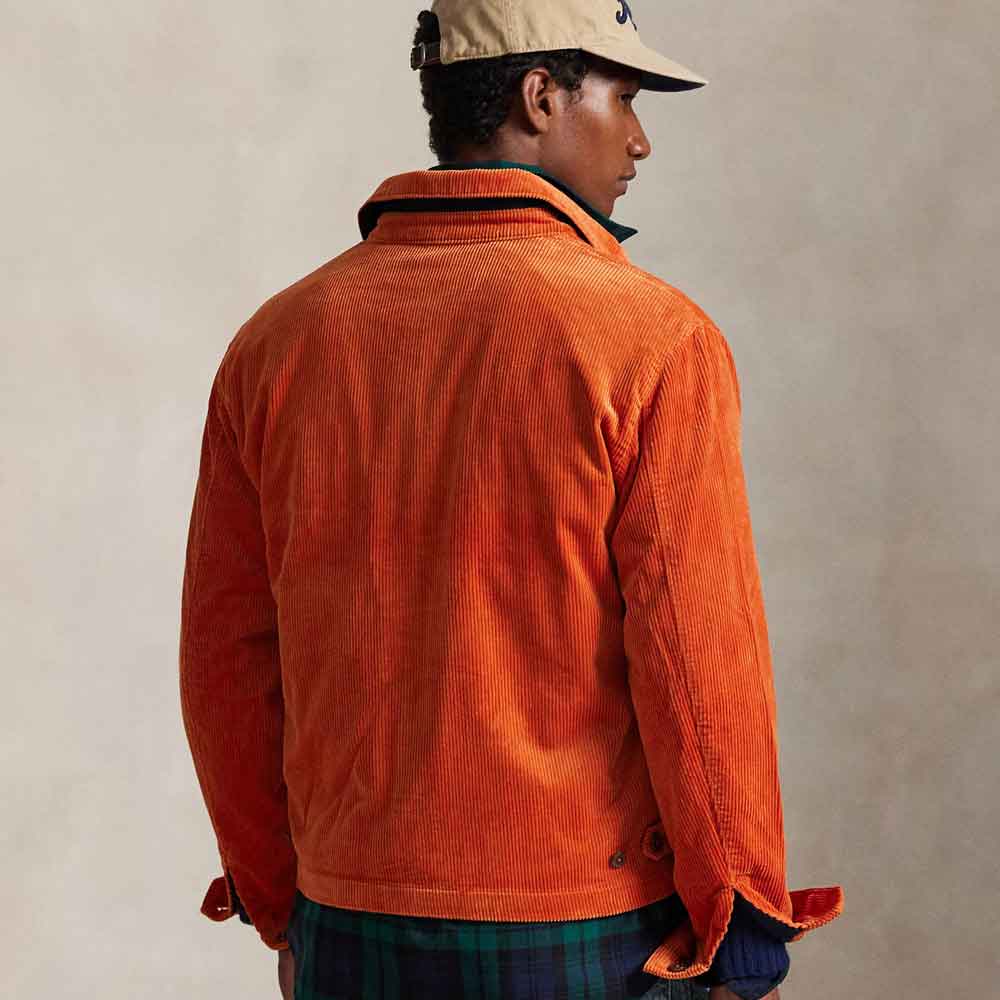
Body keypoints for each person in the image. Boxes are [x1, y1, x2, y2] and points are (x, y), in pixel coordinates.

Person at [178, 2, 845, 998]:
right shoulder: (652, 341)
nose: (640, 139)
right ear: (540, 97)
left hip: (348, 921)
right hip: (587, 929)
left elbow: (226, 656)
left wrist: (284, 902)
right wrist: (742, 931)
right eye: (623, 97)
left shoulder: (276, 343)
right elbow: (700, 669)